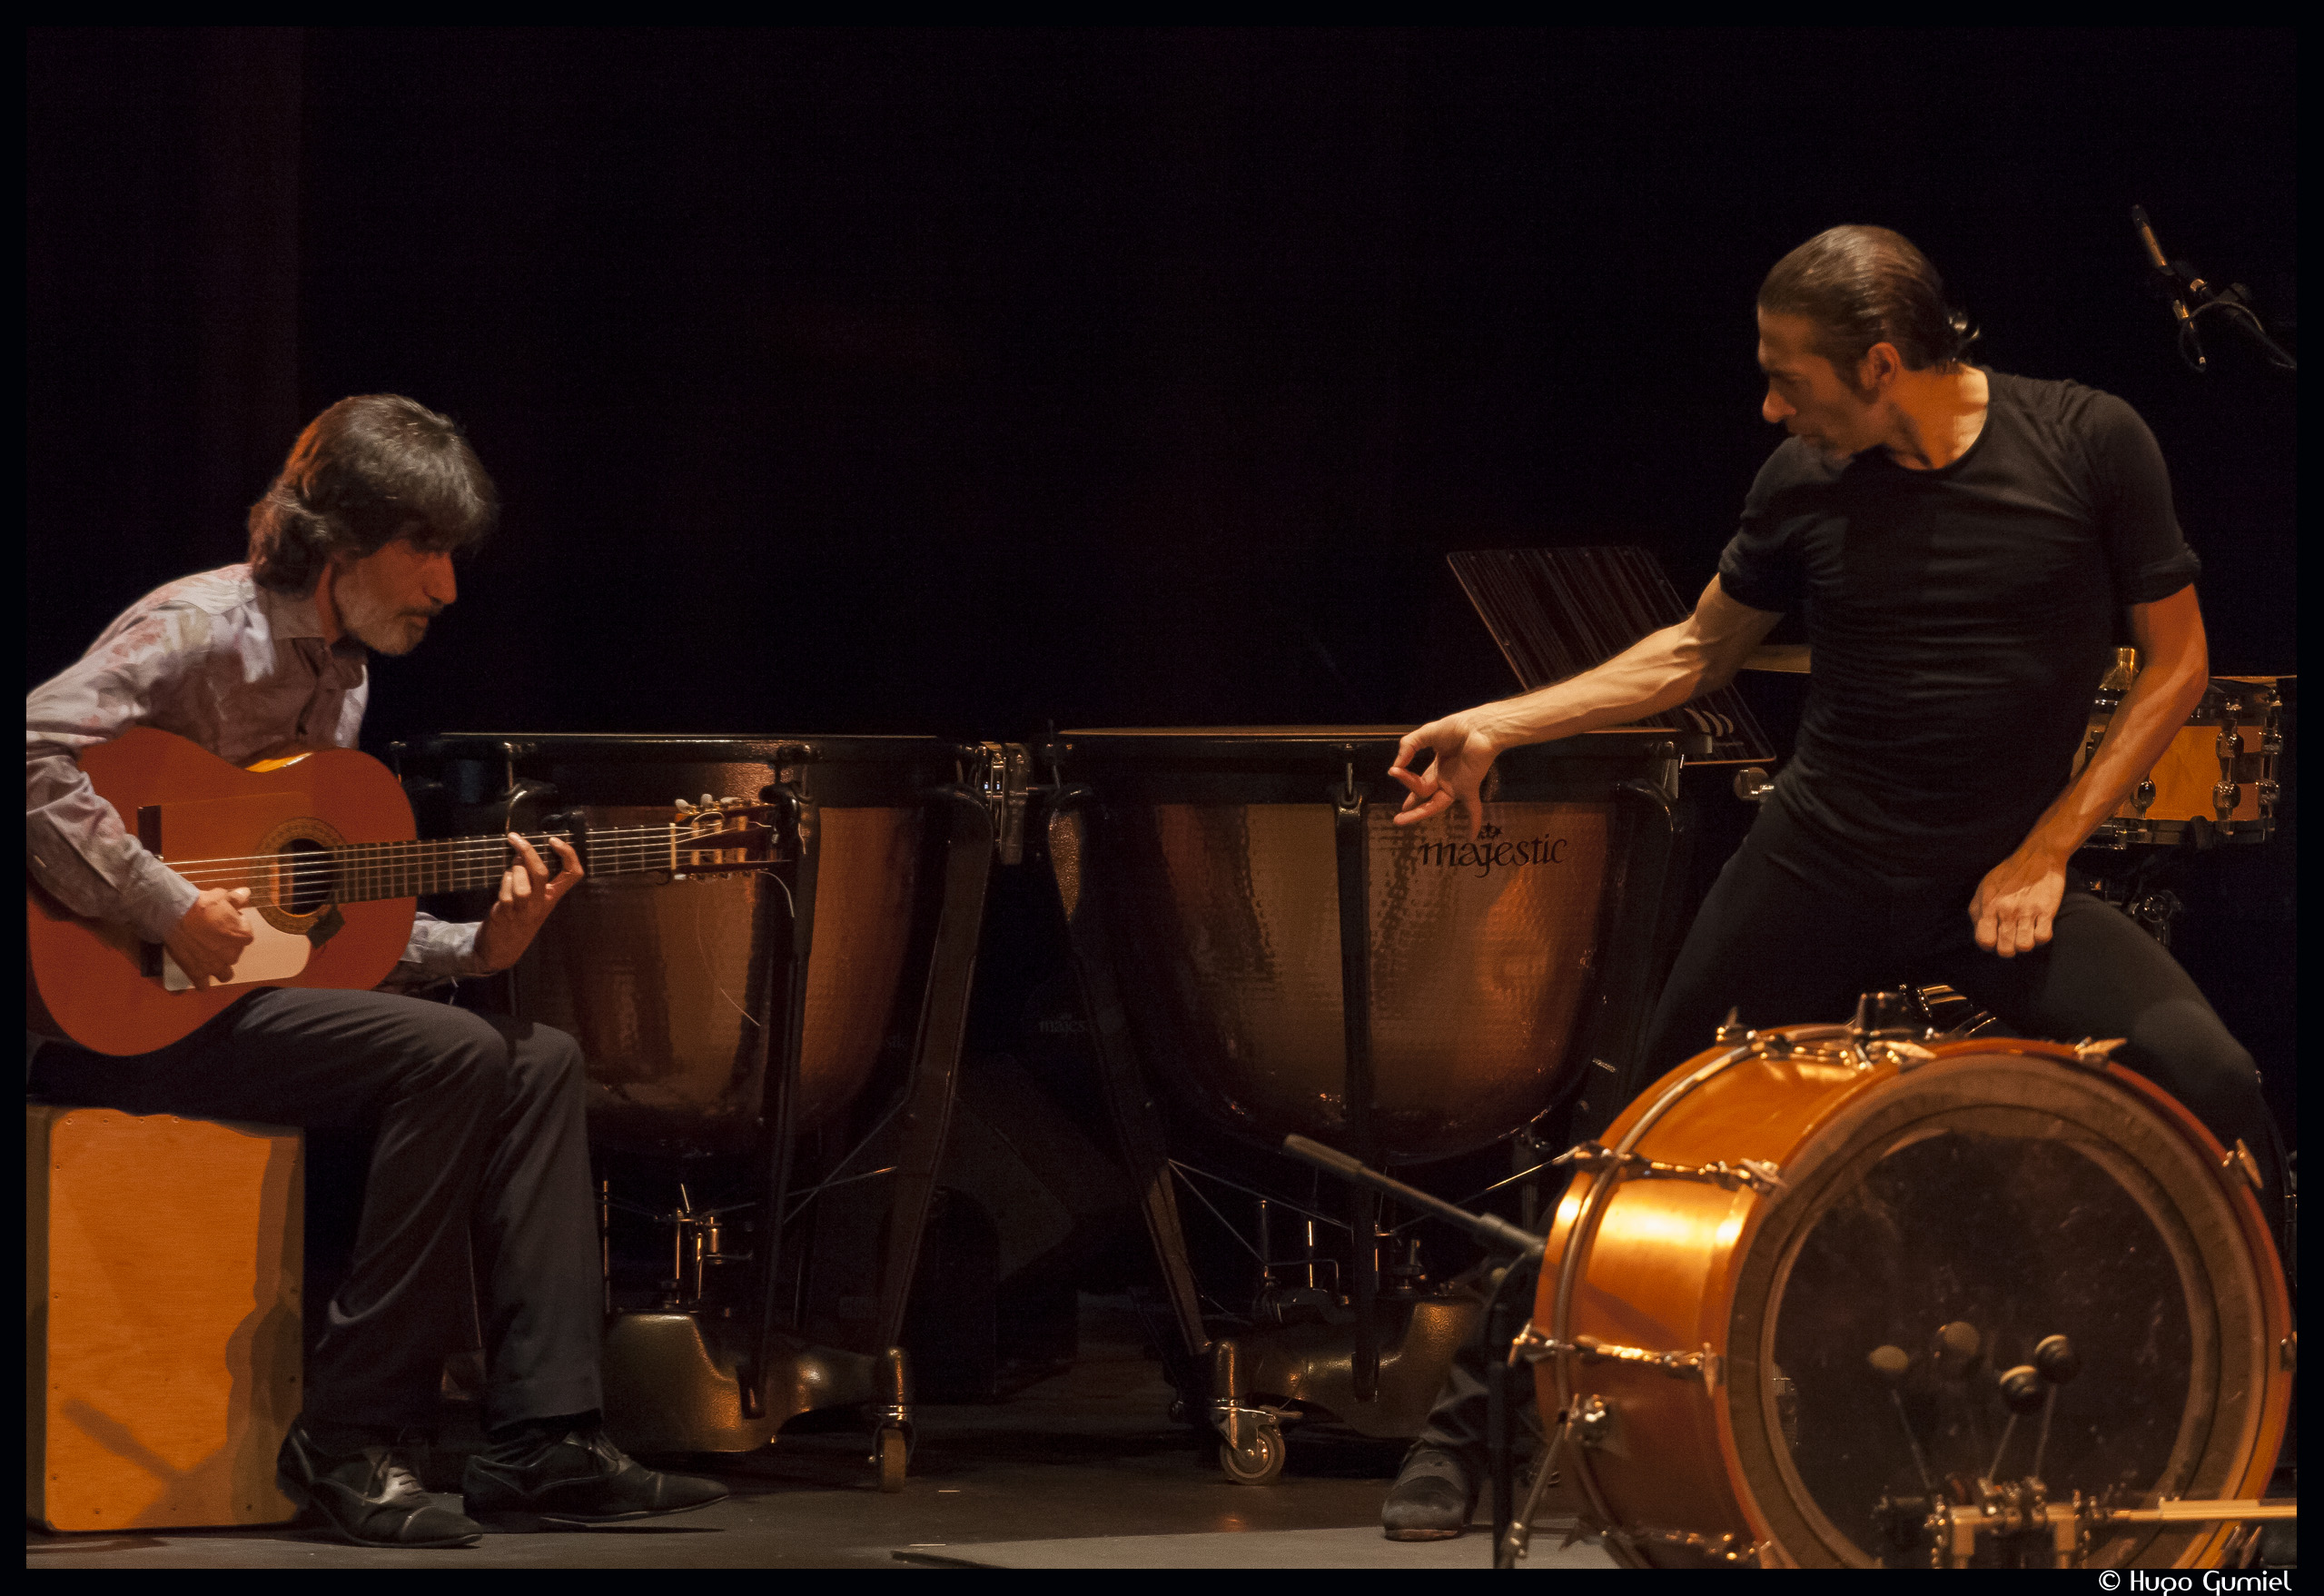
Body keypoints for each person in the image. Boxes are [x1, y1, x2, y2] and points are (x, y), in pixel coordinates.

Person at [1373, 225, 2283, 1541]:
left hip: (1999, 882)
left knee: (2214, 1077)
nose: (1768, 406)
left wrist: (2046, 850)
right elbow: (1694, 650)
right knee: (1635, 1134)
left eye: (1786, 376)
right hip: (1821, 858)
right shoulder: (1803, 476)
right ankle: (1467, 1432)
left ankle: (2256, 1416)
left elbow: (2177, 665)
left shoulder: (2090, 442)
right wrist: (1500, 725)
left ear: (1880, 362)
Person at [26, 395, 727, 1548]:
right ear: (338, 544)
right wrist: (166, 904)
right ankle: (349, 1433)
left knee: (540, 1056)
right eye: (424, 549)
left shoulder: (345, 678)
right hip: (116, 1009)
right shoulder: (196, 629)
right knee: (450, 1053)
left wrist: (473, 947)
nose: (445, 588)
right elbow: (32, 752)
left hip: (245, 1006)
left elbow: (315, 914)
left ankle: (543, 1433)